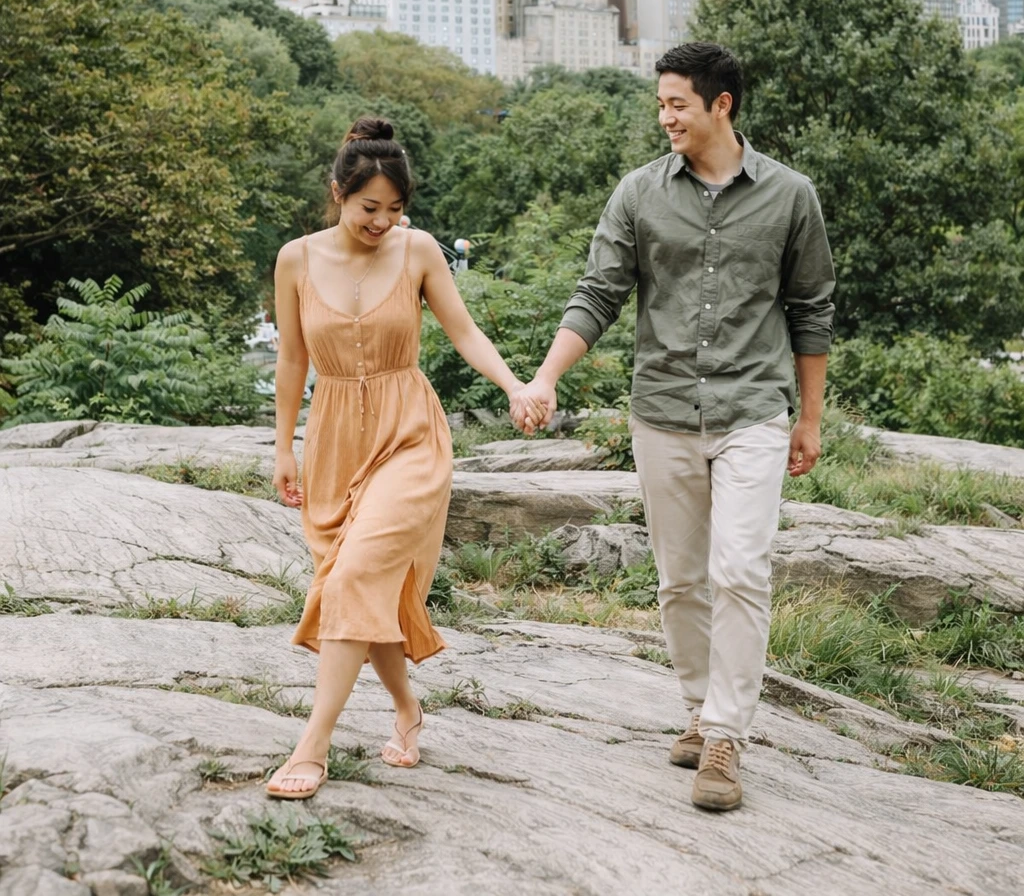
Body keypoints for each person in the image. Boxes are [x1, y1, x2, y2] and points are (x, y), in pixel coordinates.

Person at [514, 43, 835, 812]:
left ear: (720, 105)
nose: (665, 118)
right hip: (661, 411)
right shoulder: (639, 194)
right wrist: (546, 376)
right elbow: (598, 293)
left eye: (676, 104)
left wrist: (810, 418)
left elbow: (811, 309)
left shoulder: (791, 196)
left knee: (741, 570)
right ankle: (698, 710)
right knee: (681, 580)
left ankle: (725, 736)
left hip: (754, 409)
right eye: (660, 104)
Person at [267, 117, 541, 799]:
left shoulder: (419, 251)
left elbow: (464, 332)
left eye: (394, 209)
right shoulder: (295, 259)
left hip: (410, 435)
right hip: (333, 439)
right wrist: (283, 448)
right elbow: (291, 361)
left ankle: (313, 743)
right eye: (369, 208)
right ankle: (409, 709)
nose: (382, 222)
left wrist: (515, 385)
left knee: (354, 576)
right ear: (337, 193)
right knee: (365, 585)